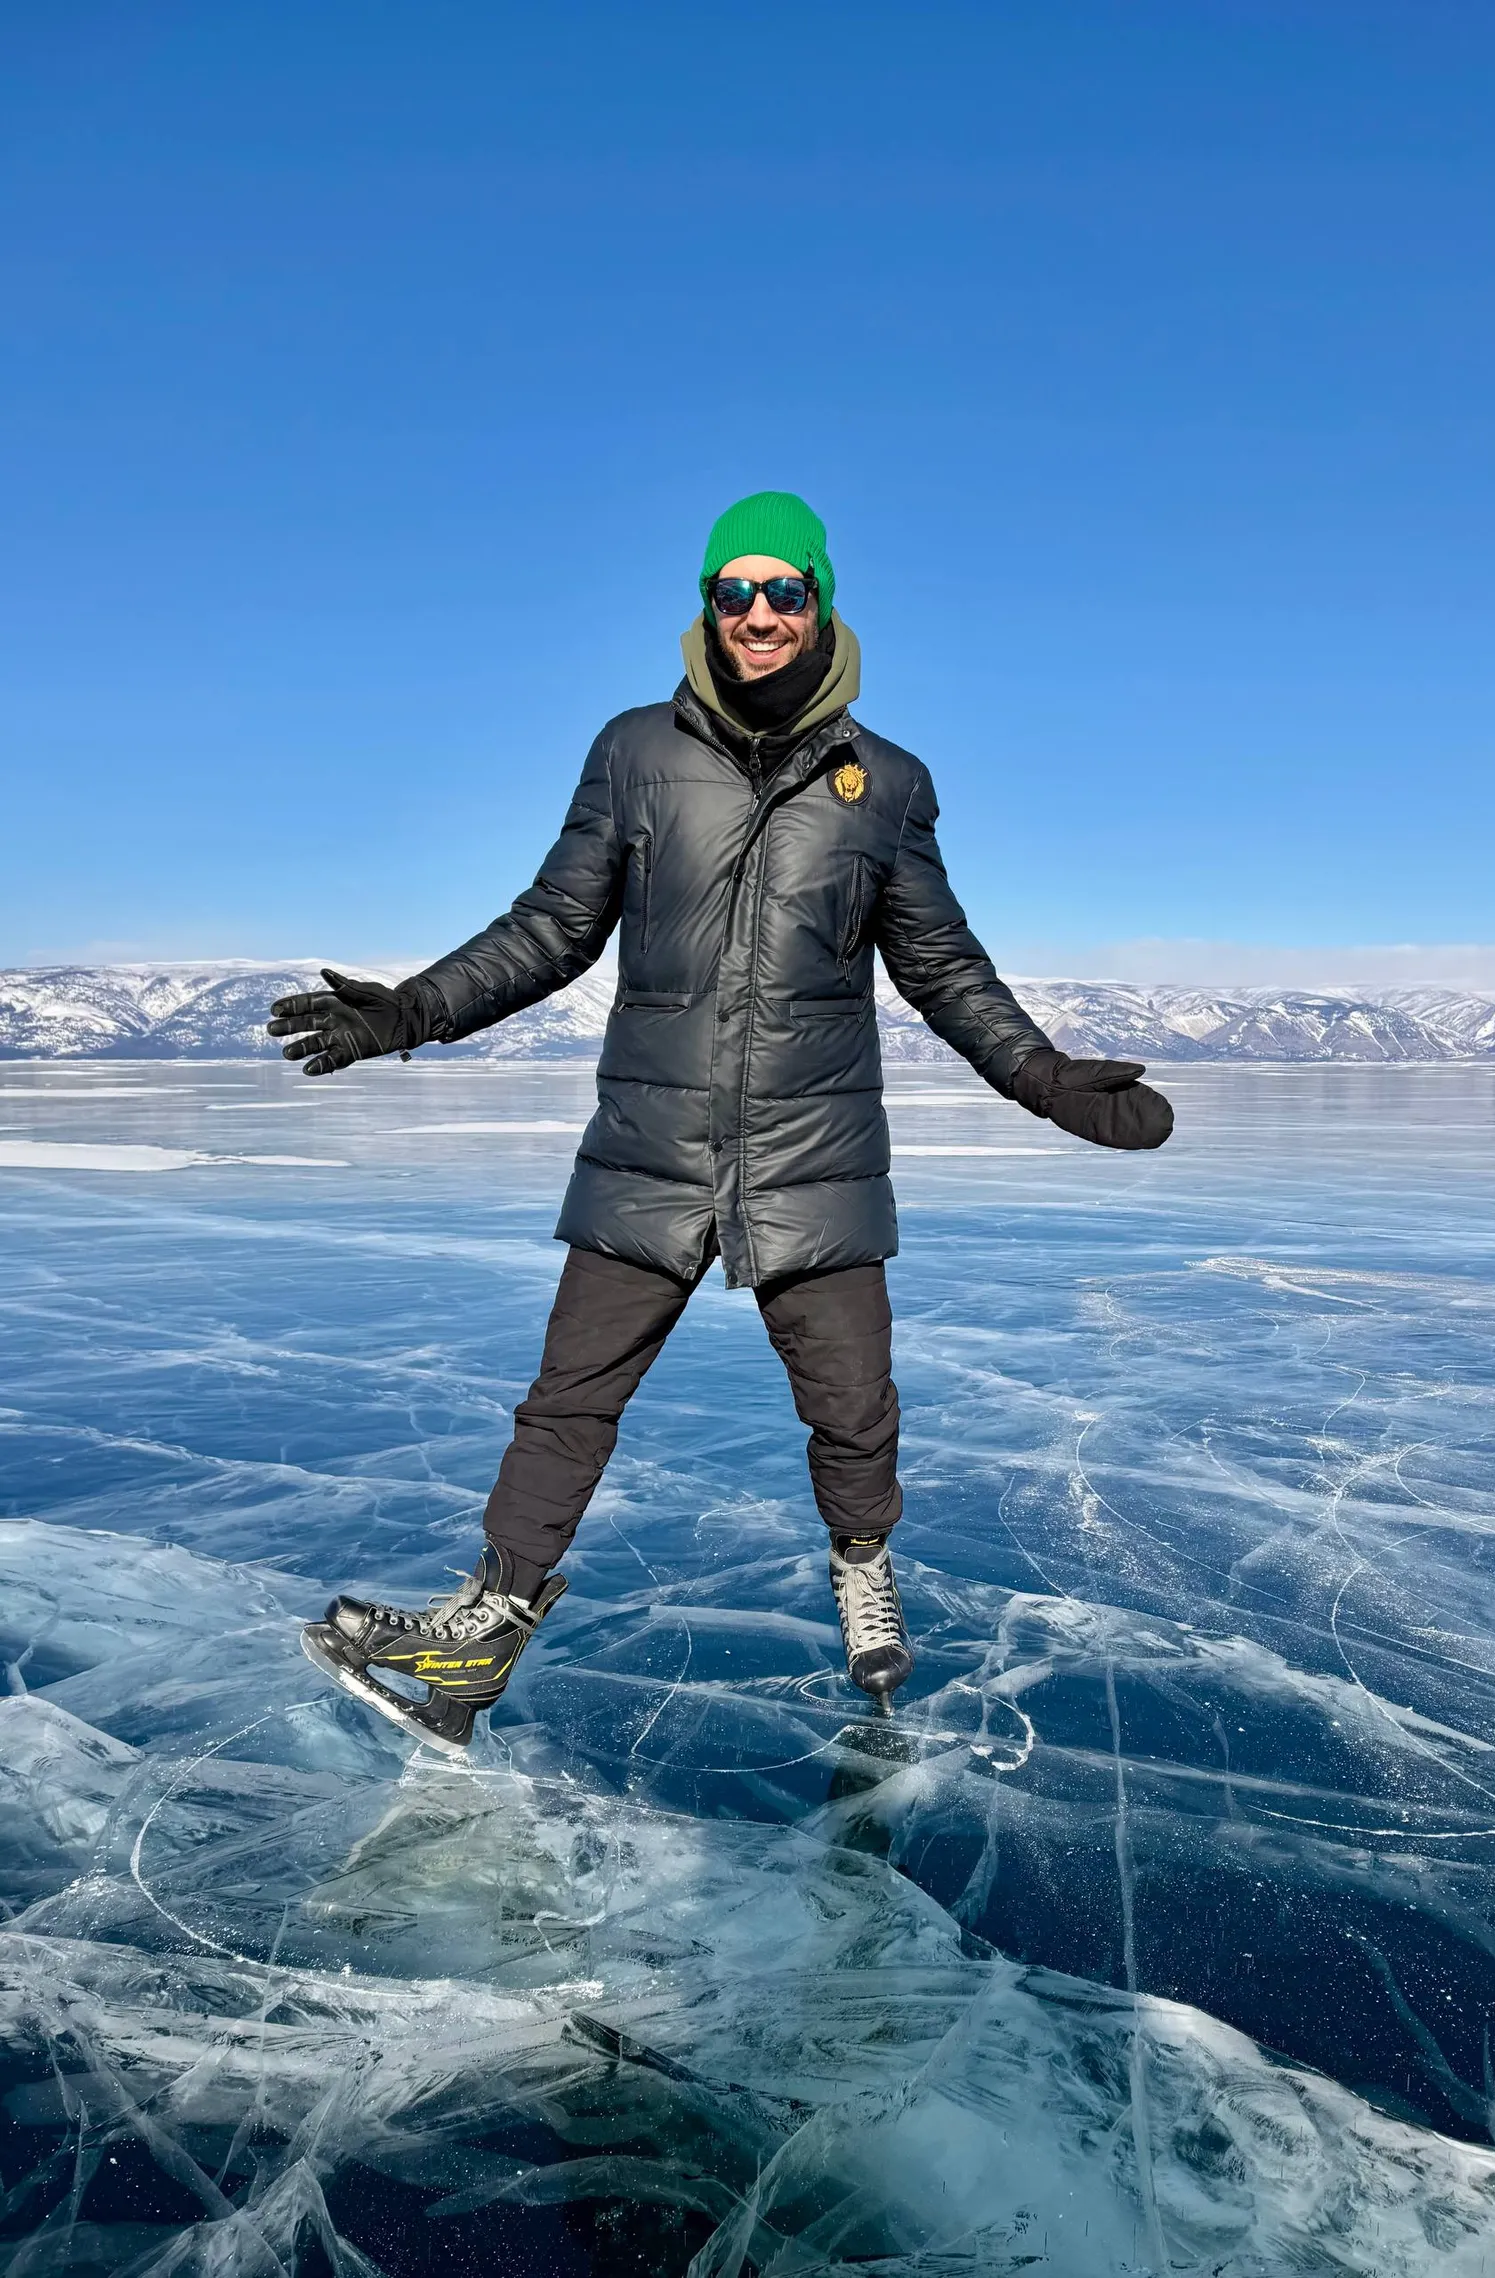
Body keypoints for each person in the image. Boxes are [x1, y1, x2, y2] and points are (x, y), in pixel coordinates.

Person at [271, 492, 1172, 1754]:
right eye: (732, 592)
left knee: (853, 1404)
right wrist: (410, 1010)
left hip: (816, 1157)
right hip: (651, 1150)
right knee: (566, 1402)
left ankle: (863, 1565)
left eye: (782, 591)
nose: (757, 614)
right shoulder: (635, 753)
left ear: (820, 602)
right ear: (706, 606)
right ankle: (484, 1631)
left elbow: (942, 965)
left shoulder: (886, 784)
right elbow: (551, 929)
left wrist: (1042, 1076)